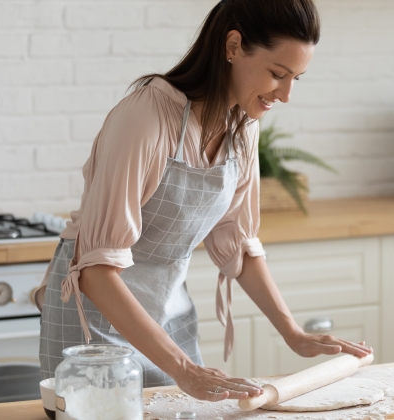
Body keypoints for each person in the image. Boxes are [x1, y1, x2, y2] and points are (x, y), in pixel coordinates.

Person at [36, 0, 372, 402]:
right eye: (277, 74)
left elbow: (238, 244)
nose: (285, 94)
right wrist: (184, 369)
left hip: (167, 310)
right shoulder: (147, 116)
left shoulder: (242, 127)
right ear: (233, 46)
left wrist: (293, 334)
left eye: (297, 78)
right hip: (94, 317)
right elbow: (95, 268)